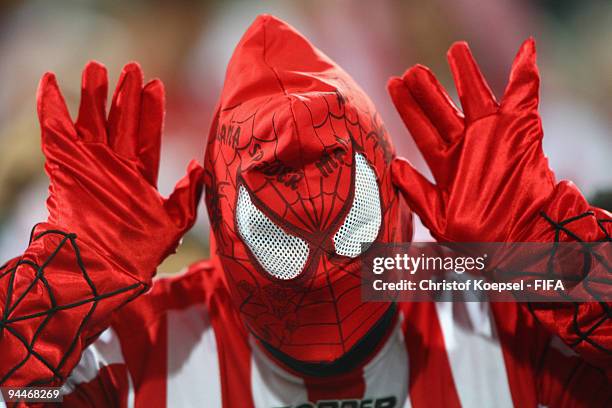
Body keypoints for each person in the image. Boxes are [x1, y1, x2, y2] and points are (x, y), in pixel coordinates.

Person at [1, 14, 610, 408]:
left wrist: (547, 248)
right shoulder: (142, 348)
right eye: (281, 181)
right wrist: (68, 276)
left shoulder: (487, 308)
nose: (315, 235)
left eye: (328, 166)